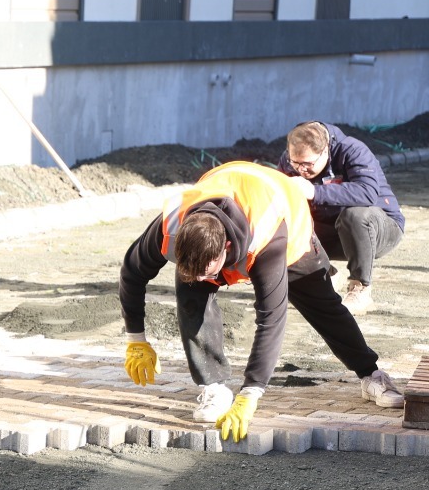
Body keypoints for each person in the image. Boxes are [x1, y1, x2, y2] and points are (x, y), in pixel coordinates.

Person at [119, 161, 403, 441]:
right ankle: (213, 387)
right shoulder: (171, 224)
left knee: (323, 304)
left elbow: (271, 318)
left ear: (225, 248)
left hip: (285, 221)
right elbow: (132, 272)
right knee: (191, 297)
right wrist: (136, 340)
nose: (202, 278)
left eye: (208, 271)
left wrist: (250, 393)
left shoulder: (267, 234)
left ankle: (370, 374)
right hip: (227, 193)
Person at [277, 120, 405, 314]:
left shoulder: (353, 150)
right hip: (332, 230)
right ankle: (322, 274)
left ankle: (360, 288)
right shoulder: (289, 160)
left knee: (354, 215)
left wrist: (315, 192)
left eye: (308, 164)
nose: (301, 170)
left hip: (378, 229)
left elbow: (367, 192)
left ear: (326, 151)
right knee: (285, 221)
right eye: (295, 162)